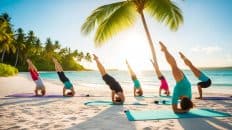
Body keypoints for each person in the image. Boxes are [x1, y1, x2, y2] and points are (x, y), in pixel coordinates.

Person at [159, 41, 193, 113]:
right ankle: (165, 50)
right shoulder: (176, 94)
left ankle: (165, 50)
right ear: (180, 103)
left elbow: (189, 107)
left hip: (184, 78)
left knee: (174, 65)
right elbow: (175, 110)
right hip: (179, 80)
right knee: (173, 65)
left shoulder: (189, 97)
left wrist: (186, 110)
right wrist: (183, 111)